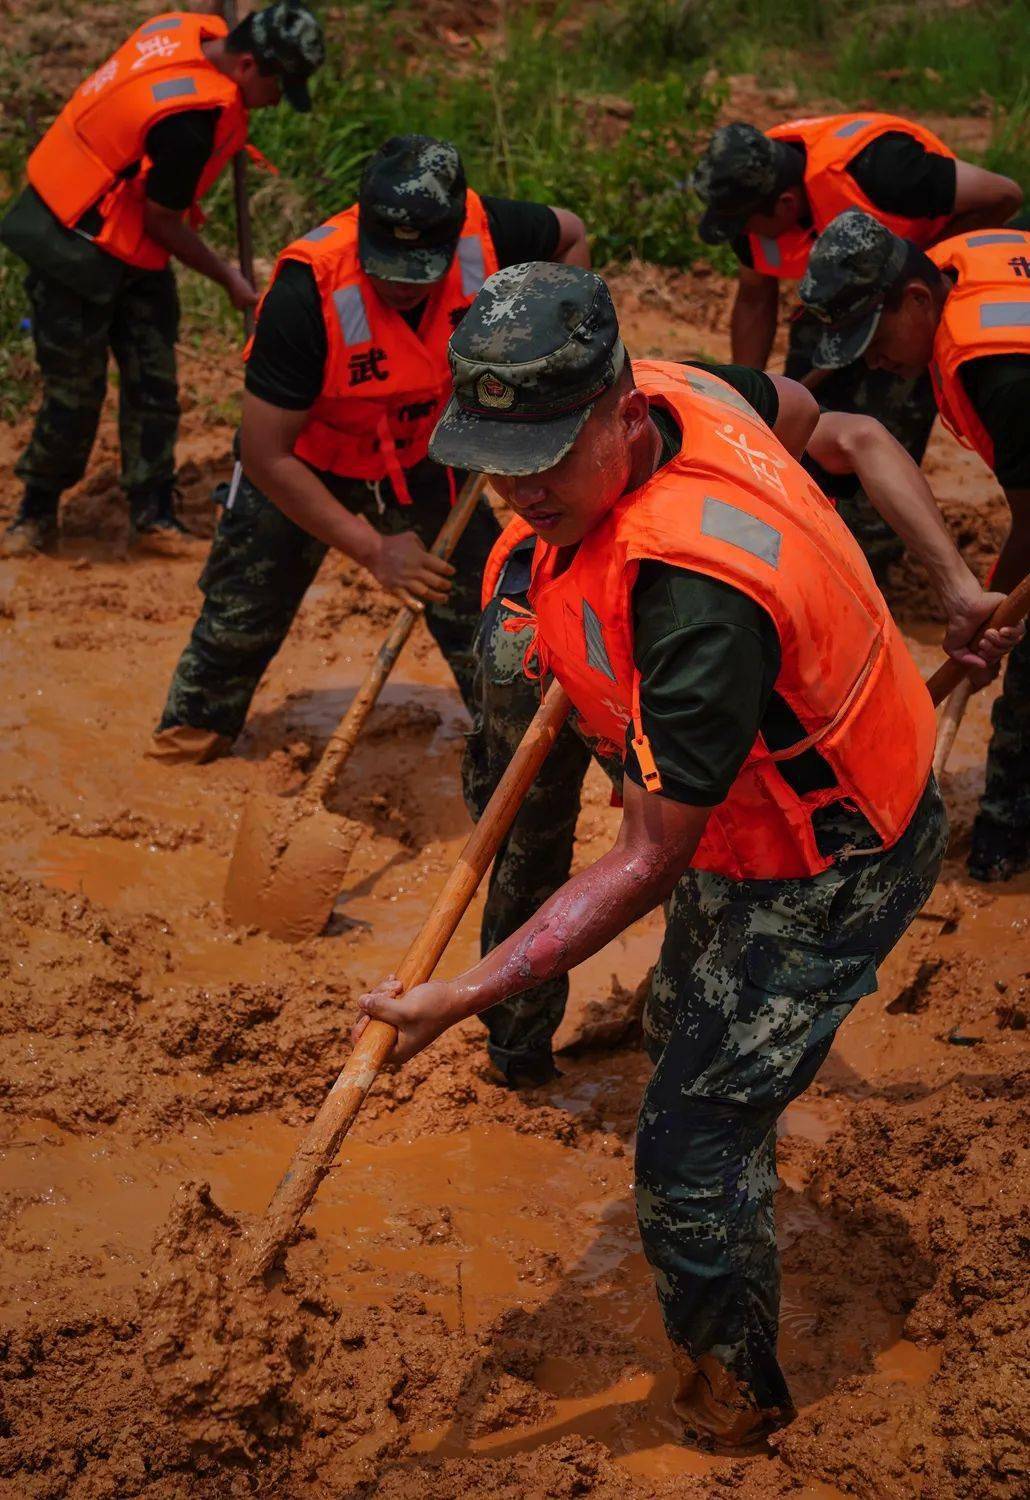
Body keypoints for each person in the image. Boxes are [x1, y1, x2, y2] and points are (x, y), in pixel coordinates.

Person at [354, 263, 1020, 1450]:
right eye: (496, 465)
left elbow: (646, 856)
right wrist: (956, 586)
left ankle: (737, 1397)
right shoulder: (685, 389)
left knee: (685, 1148)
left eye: (545, 464)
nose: (517, 497)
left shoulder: (694, 602)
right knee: (688, 1018)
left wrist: (460, 996)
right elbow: (843, 428)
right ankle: (712, 1063)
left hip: (834, 851)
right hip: (754, 797)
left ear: (617, 415)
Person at [150, 135, 589, 764]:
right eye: (385, 269)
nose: (402, 288)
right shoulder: (308, 290)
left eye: (419, 274)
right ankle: (184, 752)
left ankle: (517, 763)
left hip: (424, 455)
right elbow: (265, 450)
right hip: (307, 464)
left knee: (486, 615)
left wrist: (555, 356)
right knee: (238, 618)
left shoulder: (489, 231)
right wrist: (374, 550)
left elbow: (570, 237)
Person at [1, 2, 325, 556]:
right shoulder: (188, 125)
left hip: (130, 237)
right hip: (71, 240)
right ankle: (36, 511)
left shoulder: (190, 30)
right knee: (75, 392)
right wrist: (229, 278)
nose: (275, 102)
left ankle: (152, 513)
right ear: (247, 65)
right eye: (278, 86)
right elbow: (163, 219)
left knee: (155, 380)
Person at [799, 209, 1030, 883]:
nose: (874, 360)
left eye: (873, 338)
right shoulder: (958, 261)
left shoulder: (1003, 372)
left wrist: (990, 617)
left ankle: (1003, 839)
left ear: (919, 299)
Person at [691, 114, 1022, 574]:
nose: (742, 239)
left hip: (908, 292)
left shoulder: (886, 172)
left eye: (745, 226)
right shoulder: (749, 197)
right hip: (858, 297)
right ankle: (801, 524)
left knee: (884, 411)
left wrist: (907, 269)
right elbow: (754, 298)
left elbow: (1004, 193)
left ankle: (868, 552)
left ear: (784, 203)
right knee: (806, 412)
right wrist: (744, 404)